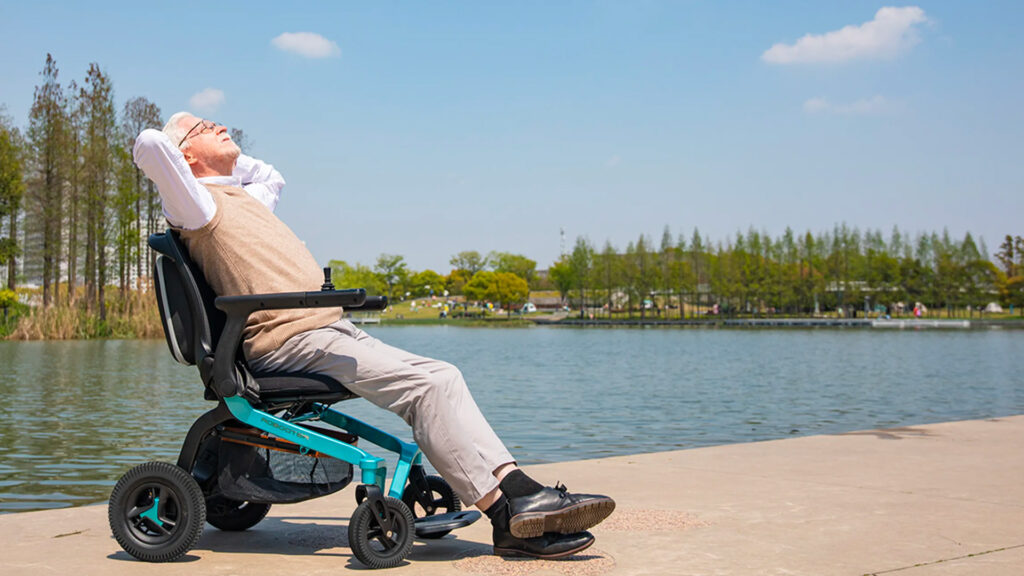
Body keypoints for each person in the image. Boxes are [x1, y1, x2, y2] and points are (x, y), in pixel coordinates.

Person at [133, 112, 614, 559]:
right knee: (429, 386)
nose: (218, 124)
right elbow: (151, 144)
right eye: (203, 126)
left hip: (327, 330)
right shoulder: (196, 206)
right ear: (185, 156)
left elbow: (271, 176)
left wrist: (222, 159)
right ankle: (510, 512)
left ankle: (516, 493)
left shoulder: (241, 199)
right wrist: (187, 151)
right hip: (290, 339)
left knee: (443, 376)